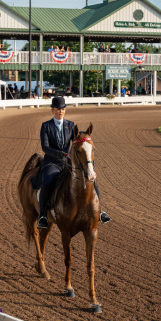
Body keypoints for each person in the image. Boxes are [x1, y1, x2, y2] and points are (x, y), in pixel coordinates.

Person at [36, 96, 111, 229]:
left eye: (63, 109)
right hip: (52, 163)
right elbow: (44, 147)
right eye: (58, 109)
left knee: (91, 178)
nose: (61, 112)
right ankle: (43, 215)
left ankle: (100, 211)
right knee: (47, 180)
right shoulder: (46, 126)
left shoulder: (70, 125)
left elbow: (76, 141)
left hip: (68, 162)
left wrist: (85, 139)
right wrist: (56, 153)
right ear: (52, 110)